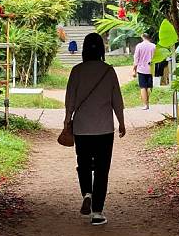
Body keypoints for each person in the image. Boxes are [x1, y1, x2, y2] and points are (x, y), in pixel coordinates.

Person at [64, 33, 126, 226]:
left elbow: (70, 100)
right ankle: (97, 212)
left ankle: (87, 193)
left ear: (83, 50)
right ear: (101, 50)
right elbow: (117, 100)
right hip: (104, 129)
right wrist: (121, 123)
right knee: (101, 169)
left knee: (83, 163)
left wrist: (67, 121)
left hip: (82, 128)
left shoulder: (77, 71)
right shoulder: (109, 71)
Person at [132, 33, 156, 110]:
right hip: (151, 69)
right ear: (149, 38)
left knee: (143, 87)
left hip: (141, 69)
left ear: (142, 37)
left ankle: (146, 104)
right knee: (149, 87)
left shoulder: (139, 46)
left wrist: (134, 70)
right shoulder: (154, 46)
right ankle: (147, 100)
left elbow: (136, 59)